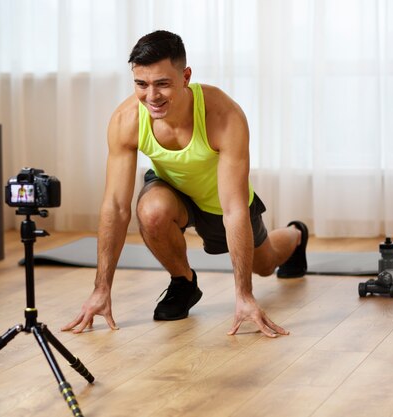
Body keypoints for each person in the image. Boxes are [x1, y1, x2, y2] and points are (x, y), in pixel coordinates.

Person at [62, 30, 308, 338]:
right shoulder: (126, 120)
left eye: (162, 83)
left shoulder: (223, 116)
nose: (151, 96)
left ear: (185, 76)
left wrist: (244, 295)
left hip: (219, 200)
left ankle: (296, 235)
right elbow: (116, 206)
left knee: (266, 262)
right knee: (150, 211)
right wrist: (101, 289)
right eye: (141, 84)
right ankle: (183, 283)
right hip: (171, 188)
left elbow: (233, 209)